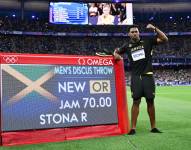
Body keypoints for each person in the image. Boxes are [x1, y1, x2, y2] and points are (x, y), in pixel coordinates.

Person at [113, 24, 168, 135]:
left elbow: (165, 39)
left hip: (148, 75)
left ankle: (153, 127)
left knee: (150, 101)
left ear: (139, 33)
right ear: (129, 34)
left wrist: (155, 28)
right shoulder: (127, 46)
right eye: (132, 32)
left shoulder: (147, 42)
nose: (134, 33)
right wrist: (116, 55)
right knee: (136, 101)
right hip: (136, 77)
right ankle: (133, 128)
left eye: (136, 31)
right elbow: (116, 52)